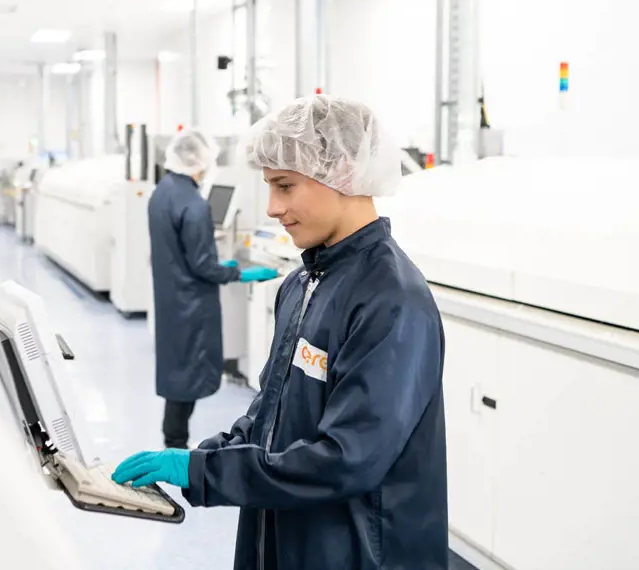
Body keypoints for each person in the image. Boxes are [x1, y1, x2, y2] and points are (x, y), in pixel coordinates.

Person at [114, 96, 448, 570]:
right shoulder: (302, 284)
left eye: (285, 186)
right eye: (269, 186)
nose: (272, 208)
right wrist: (197, 460)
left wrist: (208, 472)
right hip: (288, 534)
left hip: (359, 552)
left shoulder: (391, 300)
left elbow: (346, 458)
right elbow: (267, 414)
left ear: (344, 174)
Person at [148, 130, 278, 450]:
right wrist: (238, 272)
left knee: (176, 374)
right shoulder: (193, 204)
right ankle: (175, 447)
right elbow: (204, 265)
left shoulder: (161, 192)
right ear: (199, 161)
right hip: (192, 305)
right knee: (186, 378)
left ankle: (173, 441)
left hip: (170, 298)